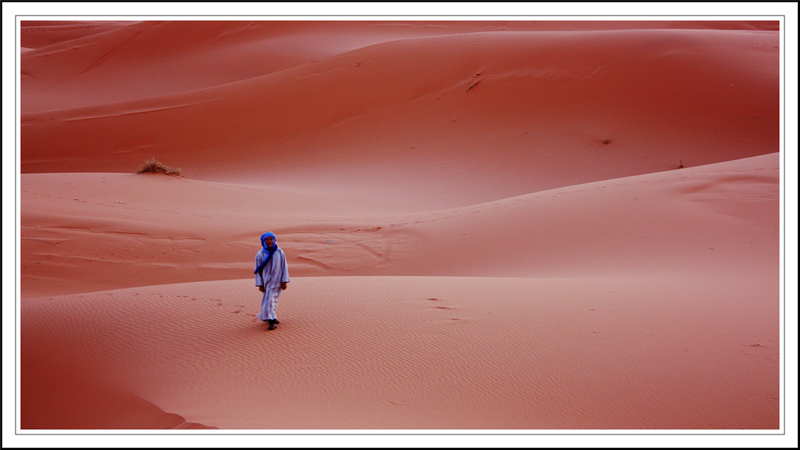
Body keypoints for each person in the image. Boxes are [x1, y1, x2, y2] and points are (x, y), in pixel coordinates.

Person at [254, 231, 289, 330]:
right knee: (269, 300)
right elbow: (257, 271)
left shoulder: (279, 252)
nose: (269, 241)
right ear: (263, 241)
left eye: (271, 239)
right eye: (267, 239)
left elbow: (284, 266)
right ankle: (271, 320)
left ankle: (268, 316)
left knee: (274, 300)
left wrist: (284, 280)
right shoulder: (260, 254)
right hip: (267, 282)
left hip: (278, 281)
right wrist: (260, 284)